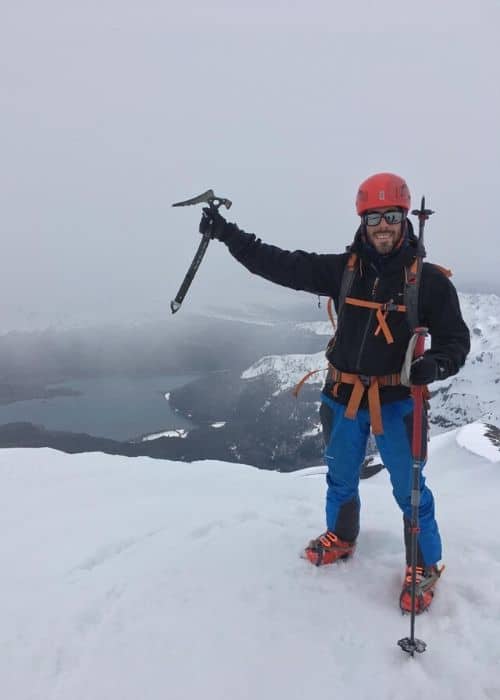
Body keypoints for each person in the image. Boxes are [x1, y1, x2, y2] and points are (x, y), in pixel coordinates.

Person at [199, 172, 470, 613]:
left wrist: (436, 364)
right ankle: (342, 537)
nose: (383, 226)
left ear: (405, 218)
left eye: (391, 216)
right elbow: (279, 264)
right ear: (362, 221)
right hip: (342, 396)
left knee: (410, 487)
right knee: (340, 477)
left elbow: (456, 340)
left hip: (398, 401)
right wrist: (227, 234)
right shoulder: (344, 270)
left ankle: (424, 564)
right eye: (374, 217)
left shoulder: (430, 283)